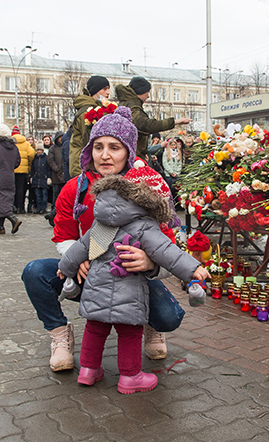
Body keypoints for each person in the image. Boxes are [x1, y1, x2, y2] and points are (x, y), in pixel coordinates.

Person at [21, 106, 185, 373]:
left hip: (133, 279)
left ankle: (151, 325)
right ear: (90, 150)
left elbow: (169, 245)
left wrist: (151, 263)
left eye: (114, 147)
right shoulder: (75, 189)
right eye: (98, 147)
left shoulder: (147, 188)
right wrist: (77, 257)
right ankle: (60, 333)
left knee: (168, 317)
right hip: (89, 274)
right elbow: (63, 236)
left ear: (129, 152)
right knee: (35, 272)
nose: (105, 155)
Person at [57, 171, 208, 393]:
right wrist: (193, 268)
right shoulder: (143, 226)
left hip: (96, 290)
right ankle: (130, 377)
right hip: (128, 293)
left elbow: (78, 250)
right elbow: (167, 251)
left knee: (95, 329)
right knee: (129, 333)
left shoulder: (99, 225)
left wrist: (64, 269)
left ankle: (88, 371)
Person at [115, 76, 192, 159]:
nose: (148, 96)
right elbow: (146, 125)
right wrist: (175, 121)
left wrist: (143, 152)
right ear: (140, 91)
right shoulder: (133, 107)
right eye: (147, 92)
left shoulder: (128, 104)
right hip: (131, 157)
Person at [69, 75, 112, 178]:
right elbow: (88, 140)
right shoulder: (87, 112)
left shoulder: (96, 108)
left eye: (108, 89)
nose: (108, 92)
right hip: (82, 166)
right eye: (104, 89)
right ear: (95, 91)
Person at [0, 124, 22, 234]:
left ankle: (12, 218)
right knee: (5, 200)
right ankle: (0, 226)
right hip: (9, 176)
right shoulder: (14, 146)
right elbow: (17, 162)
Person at [12, 127, 35, 213]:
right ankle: (20, 207)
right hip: (23, 170)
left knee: (13, 188)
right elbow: (31, 154)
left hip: (13, 169)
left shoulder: (11, 143)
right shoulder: (26, 143)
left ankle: (13, 207)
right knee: (21, 189)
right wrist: (28, 164)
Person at [30, 141, 50, 214]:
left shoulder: (46, 158)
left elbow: (48, 169)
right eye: (37, 150)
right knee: (37, 195)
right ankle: (39, 207)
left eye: (40, 150)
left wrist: (48, 177)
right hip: (36, 179)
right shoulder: (34, 159)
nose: (39, 151)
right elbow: (32, 169)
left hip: (43, 179)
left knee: (44, 195)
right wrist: (32, 177)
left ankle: (43, 208)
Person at [47, 131, 65, 207]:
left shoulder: (65, 146)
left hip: (64, 173)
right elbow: (50, 160)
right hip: (56, 174)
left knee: (64, 193)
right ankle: (55, 207)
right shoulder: (52, 148)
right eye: (59, 137)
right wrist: (56, 169)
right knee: (56, 192)